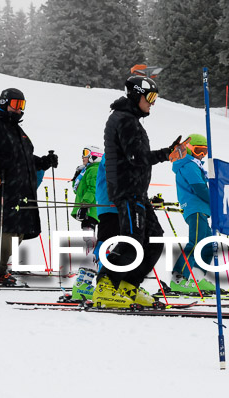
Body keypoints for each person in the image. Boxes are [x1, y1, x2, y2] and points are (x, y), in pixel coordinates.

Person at [91, 75, 187, 308]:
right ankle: (105, 286)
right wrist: (167, 154)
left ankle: (127, 286)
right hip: (127, 190)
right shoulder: (124, 120)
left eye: (155, 97)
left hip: (136, 191)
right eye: (150, 97)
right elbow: (136, 158)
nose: (152, 102)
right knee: (133, 240)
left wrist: (167, 153)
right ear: (136, 95)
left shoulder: (130, 119)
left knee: (154, 239)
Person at [0, 88, 58, 286]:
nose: (19, 110)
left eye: (22, 105)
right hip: (3, 188)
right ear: (4, 102)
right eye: (16, 104)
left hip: (22, 190)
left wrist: (43, 161)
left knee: (19, 232)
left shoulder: (16, 129)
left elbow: (22, 158)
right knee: (6, 232)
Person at [168, 133, 214, 293]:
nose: (201, 155)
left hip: (201, 209)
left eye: (205, 152)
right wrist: (216, 202)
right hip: (195, 208)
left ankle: (197, 277)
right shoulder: (188, 164)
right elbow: (199, 187)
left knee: (208, 245)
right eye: (199, 150)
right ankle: (178, 279)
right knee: (195, 243)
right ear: (188, 148)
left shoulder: (195, 164)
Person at [69, 146, 103, 301]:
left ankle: (92, 264)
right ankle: (91, 263)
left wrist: (85, 205)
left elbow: (92, 189)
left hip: (90, 210)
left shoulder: (95, 169)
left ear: (94, 157)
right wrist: (78, 176)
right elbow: (80, 190)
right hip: (87, 209)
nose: (83, 157)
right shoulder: (87, 170)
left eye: (86, 155)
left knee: (89, 239)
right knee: (87, 238)